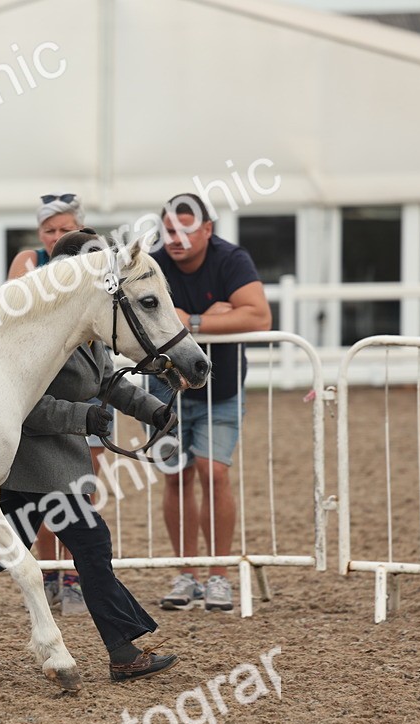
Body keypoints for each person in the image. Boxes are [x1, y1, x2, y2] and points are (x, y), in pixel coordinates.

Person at [0, 229, 181, 683]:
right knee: (91, 544)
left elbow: (107, 382)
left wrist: (153, 409)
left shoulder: (88, 324)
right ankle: (123, 650)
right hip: (39, 463)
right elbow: (26, 408)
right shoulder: (38, 330)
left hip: (58, 464)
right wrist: (83, 419)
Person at [148, 193, 272, 612]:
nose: (176, 239)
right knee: (175, 477)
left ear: (207, 230)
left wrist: (190, 321)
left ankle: (218, 575)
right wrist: (219, 316)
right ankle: (187, 572)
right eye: (169, 230)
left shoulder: (232, 260)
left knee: (213, 473)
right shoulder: (152, 264)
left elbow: (258, 317)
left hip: (223, 388)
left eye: (185, 230)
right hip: (164, 390)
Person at [8, 194, 102, 616]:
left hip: (87, 384)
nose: (57, 237)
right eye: (49, 230)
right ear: (39, 234)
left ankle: (75, 576)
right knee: (44, 484)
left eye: (65, 230)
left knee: (82, 483)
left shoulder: (93, 263)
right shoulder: (31, 263)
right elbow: (16, 298)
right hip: (43, 389)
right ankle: (50, 572)